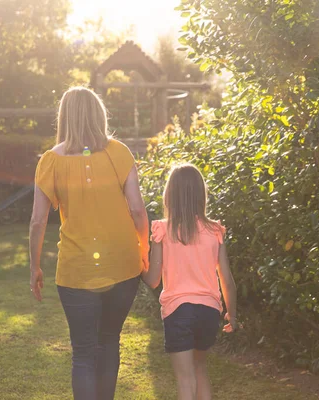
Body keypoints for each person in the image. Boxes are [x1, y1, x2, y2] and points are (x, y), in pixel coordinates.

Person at [28, 86, 150, 400]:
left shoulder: (50, 161)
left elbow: (38, 221)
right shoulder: (119, 152)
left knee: (83, 352)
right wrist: (144, 249)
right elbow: (137, 209)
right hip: (123, 264)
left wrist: (34, 266)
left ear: (64, 117)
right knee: (109, 341)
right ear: (98, 113)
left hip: (76, 269)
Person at [141, 163, 238, 400]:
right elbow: (226, 277)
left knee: (185, 381)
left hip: (178, 311)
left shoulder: (162, 230)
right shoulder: (215, 230)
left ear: (169, 194)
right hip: (209, 311)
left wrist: (139, 266)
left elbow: (153, 280)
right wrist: (232, 315)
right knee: (200, 369)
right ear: (200, 194)